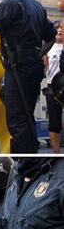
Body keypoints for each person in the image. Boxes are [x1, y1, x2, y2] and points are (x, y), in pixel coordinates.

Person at [0, 0, 56, 154]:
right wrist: (40, 53)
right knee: (26, 113)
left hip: (18, 66)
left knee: (16, 118)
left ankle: (24, 159)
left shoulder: (10, 3)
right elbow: (51, 37)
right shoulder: (37, 5)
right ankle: (32, 154)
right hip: (34, 66)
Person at [44, 24, 63, 153]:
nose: (60, 30)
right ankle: (57, 153)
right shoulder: (48, 48)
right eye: (57, 28)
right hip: (53, 88)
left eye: (62, 28)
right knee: (54, 123)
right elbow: (45, 68)